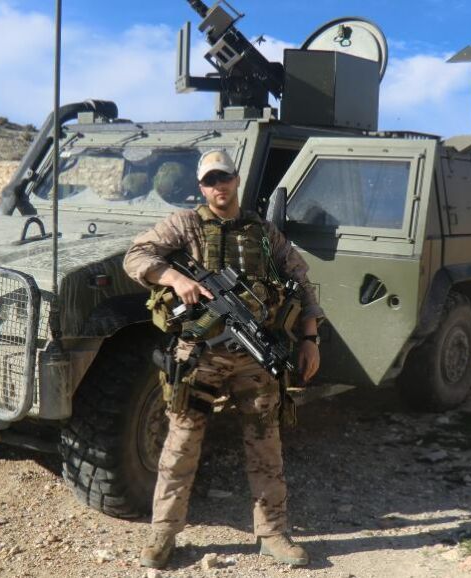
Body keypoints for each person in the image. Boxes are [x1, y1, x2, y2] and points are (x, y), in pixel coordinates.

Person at [123, 149, 323, 569]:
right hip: (200, 356)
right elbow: (136, 256)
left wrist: (310, 338)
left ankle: (272, 532)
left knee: (266, 442)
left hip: (254, 355)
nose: (219, 186)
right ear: (201, 187)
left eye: (224, 177)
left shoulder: (264, 233)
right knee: (181, 444)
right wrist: (174, 278)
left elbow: (302, 282)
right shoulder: (186, 224)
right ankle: (163, 533)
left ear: (236, 180)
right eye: (210, 180)